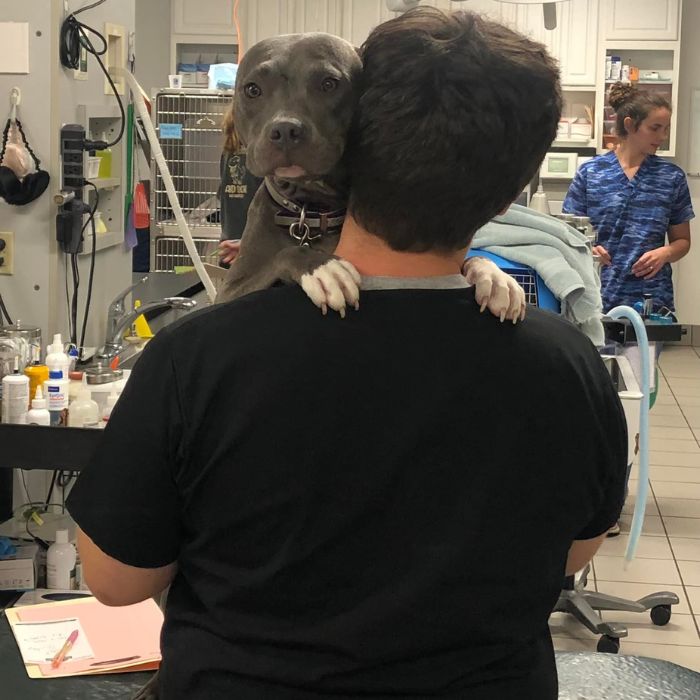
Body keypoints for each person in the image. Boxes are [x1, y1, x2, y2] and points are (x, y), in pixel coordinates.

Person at [67, 8, 627, 699]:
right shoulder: (571, 368)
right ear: (520, 174)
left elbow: (115, 582)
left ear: (364, 133)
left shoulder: (198, 359)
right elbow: (572, 554)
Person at [563, 82, 693, 314]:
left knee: (642, 351)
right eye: (655, 128)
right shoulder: (591, 172)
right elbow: (568, 233)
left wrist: (664, 253)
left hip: (651, 298)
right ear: (630, 125)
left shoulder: (671, 177)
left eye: (666, 129)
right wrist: (589, 249)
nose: (662, 136)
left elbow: (682, 241)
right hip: (597, 292)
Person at [217, 105, 263, 265]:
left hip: (228, 244)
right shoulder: (261, 157)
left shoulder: (228, 153)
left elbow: (222, 195)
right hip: (251, 248)